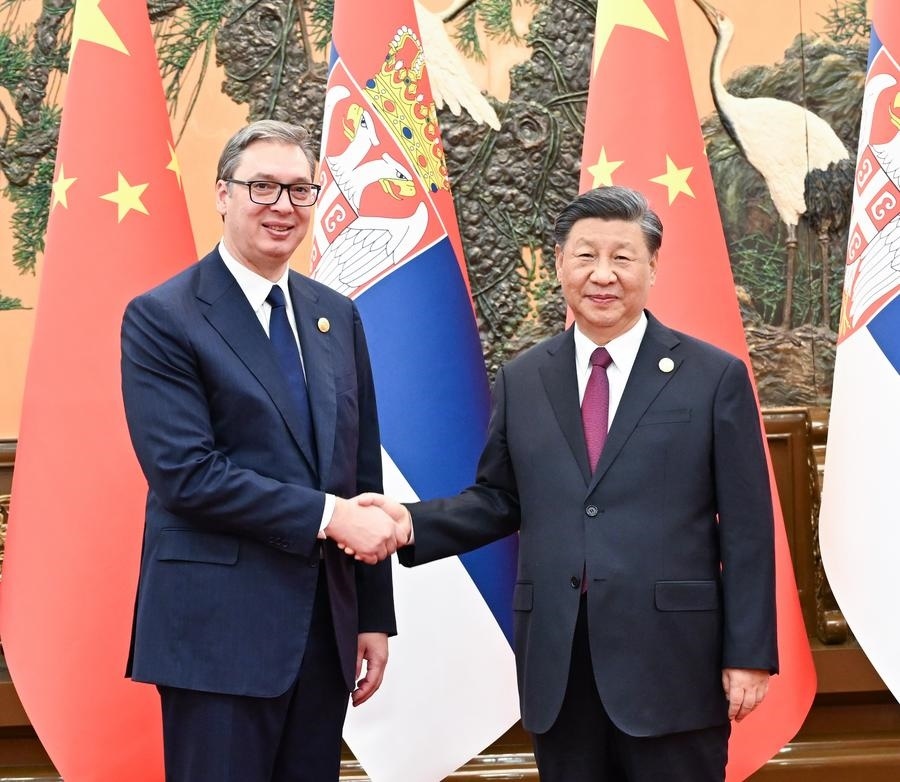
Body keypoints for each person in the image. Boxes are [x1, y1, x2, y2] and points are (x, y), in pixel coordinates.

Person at [365, 186, 778, 781]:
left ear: (653, 266)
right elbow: (500, 499)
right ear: (560, 263)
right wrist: (410, 522)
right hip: (559, 665)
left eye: (623, 257)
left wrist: (749, 654)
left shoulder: (713, 376)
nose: (602, 275)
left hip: (672, 663)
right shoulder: (524, 378)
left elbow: (747, 528)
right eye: (586, 256)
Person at [120, 120, 401, 782]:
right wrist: (331, 517)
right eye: (263, 187)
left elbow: (359, 470)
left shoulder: (335, 315)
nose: (283, 206)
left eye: (300, 189)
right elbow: (187, 475)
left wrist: (371, 615)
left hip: (323, 632)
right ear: (223, 194)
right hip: (217, 636)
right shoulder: (163, 316)